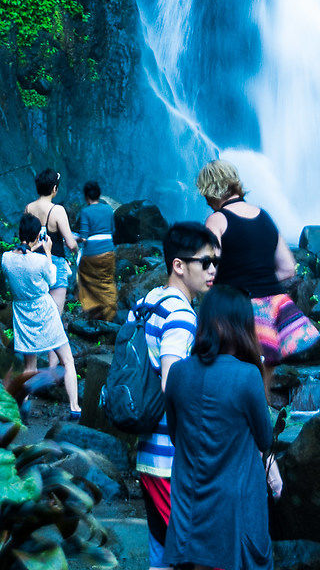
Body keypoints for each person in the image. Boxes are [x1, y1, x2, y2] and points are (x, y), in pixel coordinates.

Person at [164, 285, 283, 570]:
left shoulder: (179, 372)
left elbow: (175, 435)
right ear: (242, 326)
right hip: (235, 502)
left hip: (189, 499)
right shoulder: (247, 375)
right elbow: (264, 438)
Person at [134, 219, 219, 569]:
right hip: (169, 457)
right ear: (179, 266)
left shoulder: (146, 302)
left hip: (147, 450)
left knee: (161, 553)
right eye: (205, 262)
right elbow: (172, 381)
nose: (213, 270)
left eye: (215, 262)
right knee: (199, 553)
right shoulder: (182, 313)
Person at [197, 157, 317, 365]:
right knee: (263, 381)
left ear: (211, 190)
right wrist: (260, 278)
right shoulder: (264, 217)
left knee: (233, 376)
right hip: (275, 307)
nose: (206, 201)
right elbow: (288, 268)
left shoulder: (216, 220)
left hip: (238, 312)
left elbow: (210, 268)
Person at [1, 211, 80, 417]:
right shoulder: (41, 261)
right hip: (45, 311)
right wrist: (47, 252)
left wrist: (32, 246)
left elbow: (21, 258)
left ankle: (24, 403)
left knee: (29, 366)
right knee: (68, 360)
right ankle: (74, 407)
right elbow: (52, 279)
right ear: (38, 236)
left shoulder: (6, 258)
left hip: (23, 314)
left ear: (19, 235)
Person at [74, 179, 117, 321]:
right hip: (108, 252)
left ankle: (94, 310)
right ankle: (110, 314)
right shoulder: (108, 209)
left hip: (92, 254)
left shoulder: (85, 211)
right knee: (107, 280)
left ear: (86, 197)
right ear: (99, 195)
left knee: (85, 278)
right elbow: (112, 230)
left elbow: (84, 237)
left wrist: (76, 238)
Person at [24, 166, 77, 256]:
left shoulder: (28, 208)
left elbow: (25, 239)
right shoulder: (57, 210)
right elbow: (71, 245)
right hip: (54, 262)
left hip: (33, 260)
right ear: (54, 188)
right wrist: (77, 251)